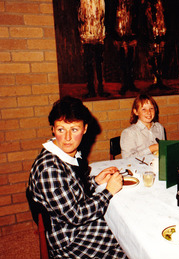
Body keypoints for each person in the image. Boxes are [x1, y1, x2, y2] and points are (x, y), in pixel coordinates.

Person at [27, 96, 126, 258]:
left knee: (120, 223)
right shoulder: (49, 168)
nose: (67, 138)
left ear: (85, 129)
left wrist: (94, 181)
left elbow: (70, 189)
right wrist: (108, 192)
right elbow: (76, 215)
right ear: (53, 129)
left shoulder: (64, 156)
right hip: (68, 239)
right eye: (61, 129)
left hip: (71, 226)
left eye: (74, 129)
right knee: (124, 236)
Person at [78, 0, 110, 98]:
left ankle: (100, 89)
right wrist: (83, 35)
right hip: (87, 37)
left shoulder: (101, 2)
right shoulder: (83, 2)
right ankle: (91, 90)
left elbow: (104, 17)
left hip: (99, 37)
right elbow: (80, 18)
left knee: (99, 64)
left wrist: (102, 36)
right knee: (88, 65)